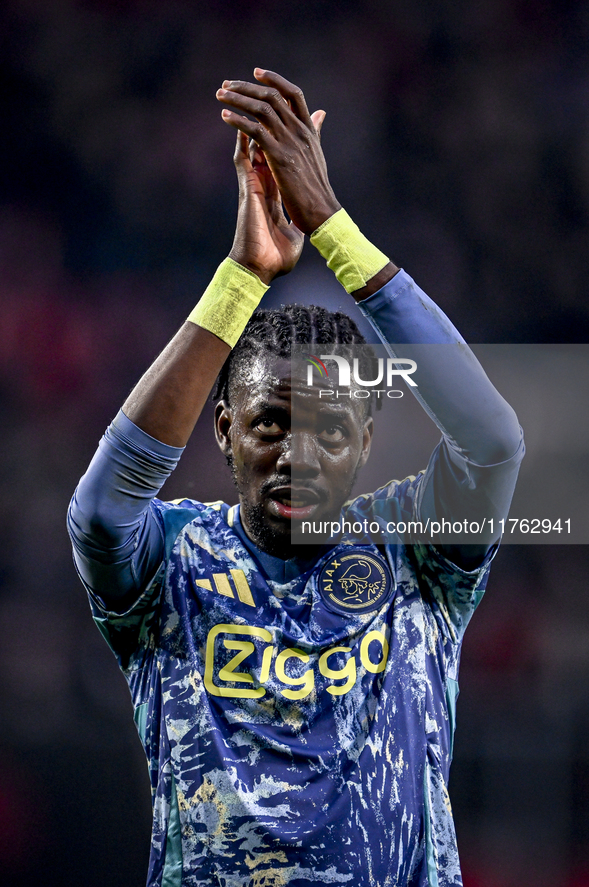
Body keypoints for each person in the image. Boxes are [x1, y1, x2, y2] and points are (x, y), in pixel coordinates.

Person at [68, 70, 524, 887]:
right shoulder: (175, 559)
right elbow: (100, 513)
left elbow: (492, 442)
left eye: (330, 429)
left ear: (364, 442)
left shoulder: (413, 550)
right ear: (225, 433)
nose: (297, 453)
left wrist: (332, 230)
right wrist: (242, 276)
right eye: (271, 422)